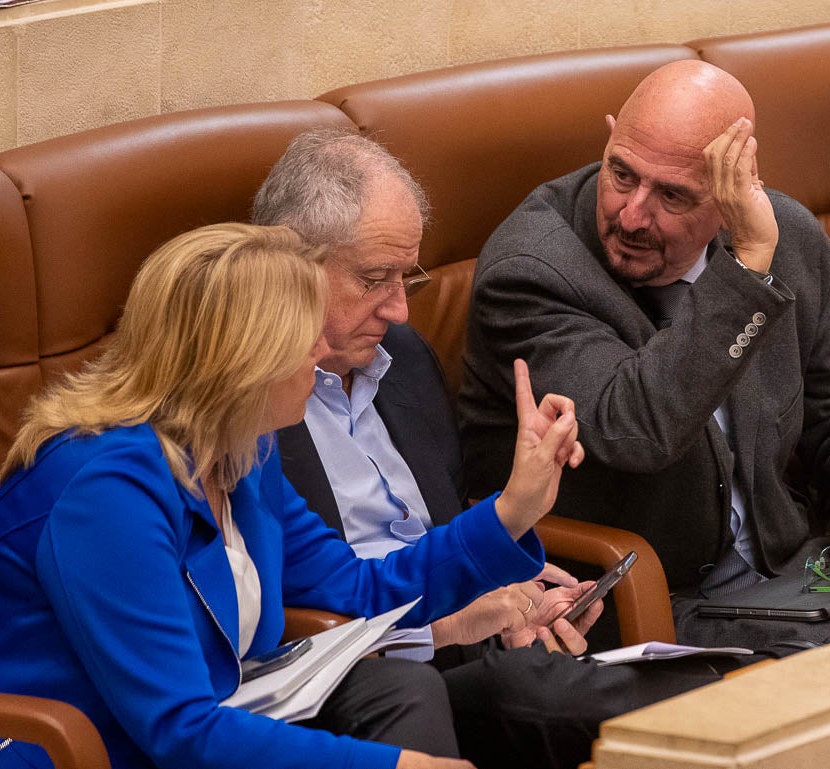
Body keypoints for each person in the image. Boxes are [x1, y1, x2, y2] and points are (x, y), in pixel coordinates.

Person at [0, 222, 587, 769]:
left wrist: (513, 510)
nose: (324, 349)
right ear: (242, 360)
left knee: (397, 694)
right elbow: (177, 727)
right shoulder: (107, 490)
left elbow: (361, 590)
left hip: (177, 726)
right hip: (46, 749)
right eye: (305, 335)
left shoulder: (242, 450)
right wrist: (390, 766)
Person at [251, 129, 730, 769]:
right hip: (360, 679)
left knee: (688, 686)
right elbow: (287, 610)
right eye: (373, 279)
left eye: (408, 278)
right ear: (288, 265)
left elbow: (432, 534)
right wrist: (454, 619)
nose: (399, 309)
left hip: (451, 640)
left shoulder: (404, 361)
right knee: (572, 698)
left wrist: (510, 591)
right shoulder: (245, 411)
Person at [457, 59, 830, 650]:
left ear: (734, 190)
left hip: (792, 574)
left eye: (672, 196)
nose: (632, 215)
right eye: (621, 173)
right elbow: (634, 428)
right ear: (609, 136)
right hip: (638, 596)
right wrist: (743, 271)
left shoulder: (784, 238)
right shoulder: (532, 271)